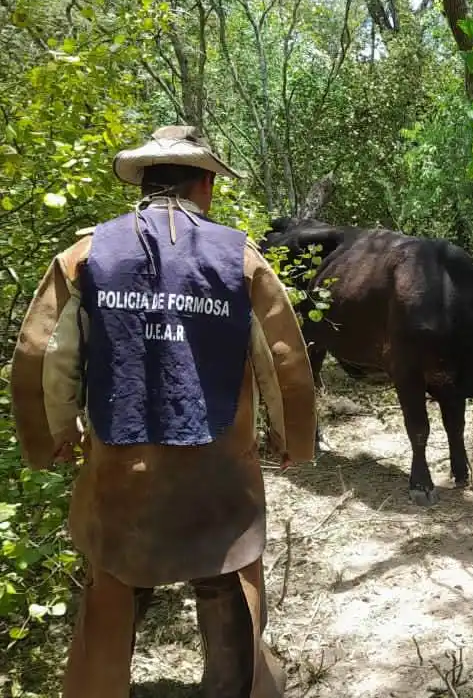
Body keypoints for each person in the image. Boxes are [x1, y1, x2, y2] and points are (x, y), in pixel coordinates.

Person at [10, 125, 317, 697]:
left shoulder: (87, 253)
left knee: (115, 583)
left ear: (144, 183)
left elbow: (47, 355)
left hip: (121, 473)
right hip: (219, 472)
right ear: (204, 182)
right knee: (225, 579)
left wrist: (51, 437)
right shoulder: (239, 257)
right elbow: (280, 357)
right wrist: (291, 437)